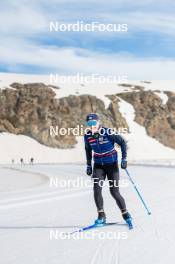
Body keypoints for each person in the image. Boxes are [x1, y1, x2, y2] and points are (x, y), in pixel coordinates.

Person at [84, 113, 132, 227]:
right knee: (96, 189)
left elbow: (122, 143)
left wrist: (124, 159)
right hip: (98, 166)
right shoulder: (87, 136)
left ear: (98, 122)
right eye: (89, 124)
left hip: (112, 165)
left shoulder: (107, 132)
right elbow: (87, 150)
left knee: (114, 191)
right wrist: (88, 165)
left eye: (93, 123)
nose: (92, 126)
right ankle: (101, 216)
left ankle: (126, 214)